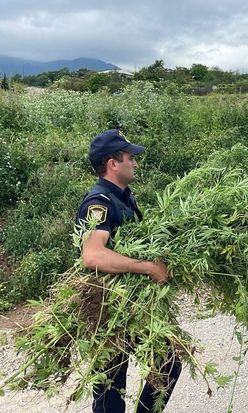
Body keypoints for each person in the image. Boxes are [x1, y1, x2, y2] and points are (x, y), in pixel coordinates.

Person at [76, 129, 181, 412]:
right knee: (110, 388)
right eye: (129, 157)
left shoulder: (124, 198)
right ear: (112, 163)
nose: (135, 162)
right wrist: (147, 268)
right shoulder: (99, 202)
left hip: (132, 306)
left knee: (168, 363)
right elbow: (92, 255)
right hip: (107, 309)